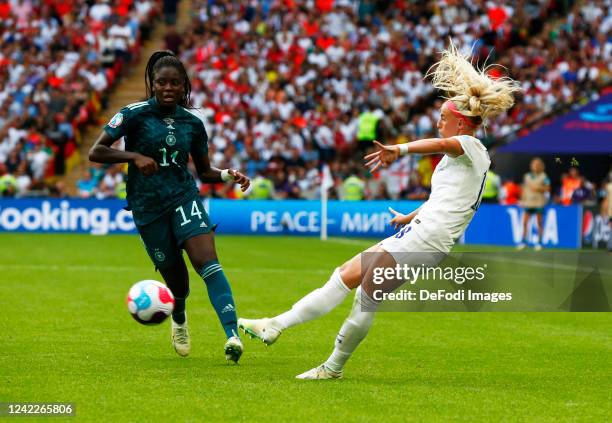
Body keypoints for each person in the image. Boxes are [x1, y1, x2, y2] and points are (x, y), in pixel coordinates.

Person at [238, 41, 520, 379]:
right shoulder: (460, 159)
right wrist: (409, 216)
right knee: (346, 274)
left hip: (428, 240)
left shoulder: (469, 145)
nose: (438, 123)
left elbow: (444, 143)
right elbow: (445, 201)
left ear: (461, 123)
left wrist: (399, 150)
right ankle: (275, 325)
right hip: (423, 233)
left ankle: (331, 367)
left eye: (443, 118)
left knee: (364, 296)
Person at [89, 50, 250, 363]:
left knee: (208, 262)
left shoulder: (192, 123)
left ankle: (231, 335)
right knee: (178, 284)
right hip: (147, 207)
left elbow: (203, 171)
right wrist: (133, 157)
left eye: (174, 83)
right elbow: (97, 151)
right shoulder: (132, 114)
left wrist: (228, 174)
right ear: (153, 83)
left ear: (183, 86)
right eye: (161, 82)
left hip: (183, 198)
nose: (167, 88)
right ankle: (178, 319)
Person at [517, 158, 550, 251]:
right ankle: (523, 241)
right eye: (533, 164)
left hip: (539, 202)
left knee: (539, 222)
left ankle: (539, 242)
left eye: (537, 164)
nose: (535, 166)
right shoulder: (527, 176)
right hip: (528, 202)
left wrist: (538, 188)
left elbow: (547, 188)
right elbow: (524, 189)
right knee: (524, 222)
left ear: (540, 166)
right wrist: (522, 200)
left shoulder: (544, 176)